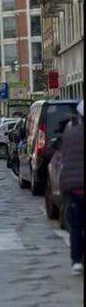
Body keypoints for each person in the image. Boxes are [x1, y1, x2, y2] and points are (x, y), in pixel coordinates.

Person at [59, 100, 84, 275]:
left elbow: (62, 158)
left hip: (73, 187)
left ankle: (76, 260)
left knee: (76, 226)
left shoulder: (69, 133)